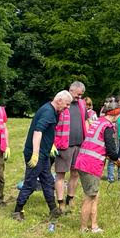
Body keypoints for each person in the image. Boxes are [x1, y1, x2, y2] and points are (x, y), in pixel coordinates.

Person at [13, 91, 72, 222]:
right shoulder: (48, 112)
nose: (67, 107)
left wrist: (50, 145)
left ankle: (53, 210)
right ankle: (17, 210)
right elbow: (38, 131)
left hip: (44, 153)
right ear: (59, 100)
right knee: (30, 182)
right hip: (36, 153)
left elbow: (47, 131)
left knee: (47, 181)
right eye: (67, 104)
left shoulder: (53, 111)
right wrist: (35, 154)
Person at [75, 99, 120, 233]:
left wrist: (113, 158)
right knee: (89, 197)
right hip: (90, 164)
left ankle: (94, 226)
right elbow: (111, 149)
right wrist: (117, 160)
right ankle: (83, 228)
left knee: (95, 195)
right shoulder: (107, 126)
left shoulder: (98, 122)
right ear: (115, 114)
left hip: (83, 161)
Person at [54, 80, 89, 211]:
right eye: (78, 94)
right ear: (71, 90)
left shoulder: (81, 104)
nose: (79, 97)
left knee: (75, 174)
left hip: (79, 145)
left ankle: (70, 199)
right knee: (61, 174)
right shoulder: (62, 102)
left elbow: (85, 121)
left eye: (81, 95)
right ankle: (60, 202)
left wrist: (88, 139)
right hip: (64, 145)